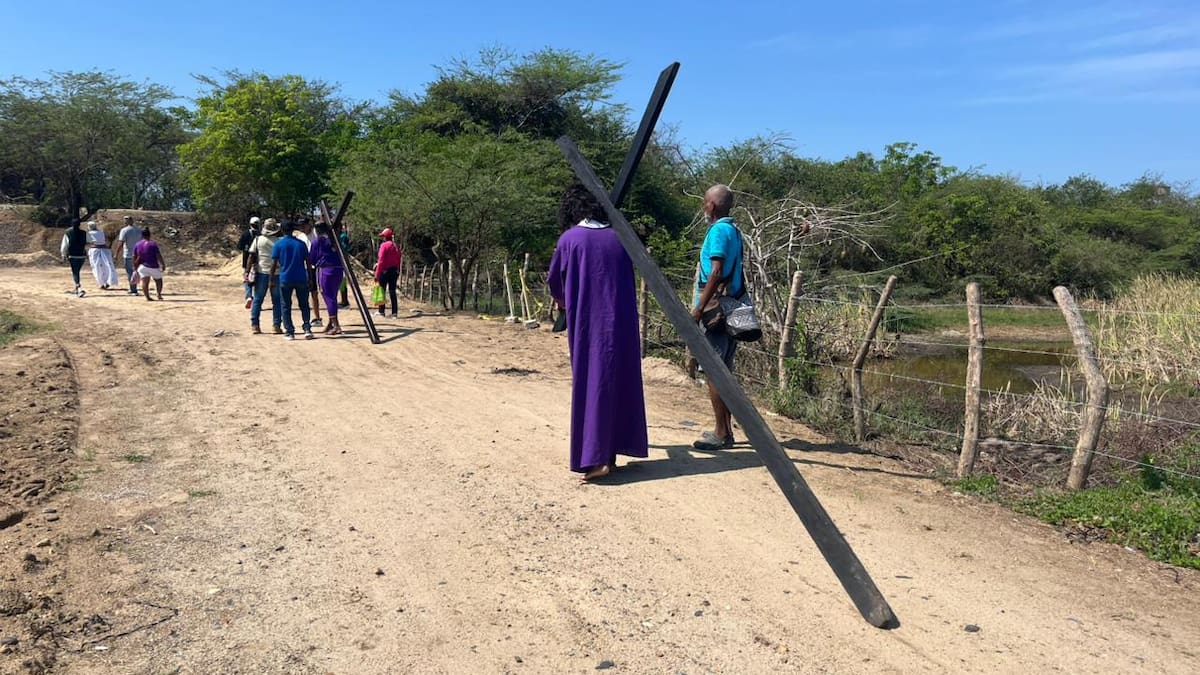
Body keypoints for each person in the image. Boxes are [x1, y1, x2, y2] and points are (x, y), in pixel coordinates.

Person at [548, 184, 648, 481]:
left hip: (589, 323)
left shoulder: (570, 240)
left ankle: (596, 458)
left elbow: (555, 282)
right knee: (619, 380)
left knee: (593, 382)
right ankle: (613, 451)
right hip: (623, 322)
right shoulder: (620, 238)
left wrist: (564, 303)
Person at [689, 184, 745, 451]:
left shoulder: (719, 231)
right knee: (723, 371)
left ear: (711, 206)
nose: (704, 207)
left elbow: (715, 271)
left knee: (713, 370)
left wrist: (699, 308)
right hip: (731, 305)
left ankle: (721, 433)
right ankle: (726, 430)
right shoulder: (734, 230)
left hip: (716, 311)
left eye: (705, 202)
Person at [270, 221, 314, 340]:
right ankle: (307, 328)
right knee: (304, 304)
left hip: (285, 278)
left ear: (282, 230)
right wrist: (310, 278)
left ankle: (289, 331)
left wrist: (271, 279)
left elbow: (274, 264)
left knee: (286, 305)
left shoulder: (278, 244)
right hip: (301, 277)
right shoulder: (301, 244)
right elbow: (308, 262)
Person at [247, 218, 283, 334]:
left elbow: (251, 256)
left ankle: (255, 325)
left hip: (262, 272)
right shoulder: (279, 241)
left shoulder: (258, 239)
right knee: (277, 301)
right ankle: (276, 326)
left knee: (258, 299)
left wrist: (247, 272)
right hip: (277, 273)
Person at [310, 223, 344, 335]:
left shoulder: (318, 241)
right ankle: (330, 323)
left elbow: (312, 258)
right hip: (338, 270)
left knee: (328, 297)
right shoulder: (335, 240)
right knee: (333, 297)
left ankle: (336, 325)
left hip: (325, 270)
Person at [294, 218, 324, 327]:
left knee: (321, 292)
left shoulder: (317, 233)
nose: (302, 228)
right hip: (306, 268)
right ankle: (315, 317)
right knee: (311, 292)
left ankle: (319, 317)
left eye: (304, 226)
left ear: (309, 224)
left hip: (318, 266)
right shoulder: (300, 237)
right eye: (300, 226)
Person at [133, 226, 167, 301]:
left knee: (145, 282)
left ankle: (147, 297)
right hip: (153, 266)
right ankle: (158, 294)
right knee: (158, 280)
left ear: (142, 235)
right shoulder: (153, 244)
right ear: (149, 235)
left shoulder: (137, 244)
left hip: (142, 266)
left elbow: (134, 256)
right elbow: (158, 255)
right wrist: (162, 264)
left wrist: (135, 265)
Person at [374, 228, 402, 318]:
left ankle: (381, 311)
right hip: (394, 271)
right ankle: (394, 313)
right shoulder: (396, 246)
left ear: (385, 237)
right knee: (392, 291)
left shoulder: (384, 245)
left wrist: (377, 273)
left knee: (381, 290)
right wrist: (398, 269)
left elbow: (381, 260)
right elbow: (399, 259)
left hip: (384, 271)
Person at [113, 216, 143, 295]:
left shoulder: (124, 230)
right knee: (136, 271)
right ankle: (135, 287)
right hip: (138, 254)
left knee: (130, 272)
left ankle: (133, 289)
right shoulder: (139, 230)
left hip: (128, 254)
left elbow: (121, 242)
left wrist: (116, 253)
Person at [85, 221, 119, 290]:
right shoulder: (101, 232)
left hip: (95, 250)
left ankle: (101, 283)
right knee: (107, 266)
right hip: (105, 250)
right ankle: (108, 281)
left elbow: (88, 241)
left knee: (97, 267)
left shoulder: (89, 233)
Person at [59, 218, 88, 297]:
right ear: (79, 225)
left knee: (75, 272)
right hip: (82, 256)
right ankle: (77, 288)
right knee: (77, 271)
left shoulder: (68, 233)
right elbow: (88, 243)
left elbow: (64, 245)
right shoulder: (84, 233)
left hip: (72, 255)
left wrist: (63, 255)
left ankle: (79, 288)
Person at [238, 216, 261, 309]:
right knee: (257, 282)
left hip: (246, 260)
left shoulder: (246, 234)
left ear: (250, 224)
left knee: (247, 279)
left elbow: (240, 246)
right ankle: (256, 301)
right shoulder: (261, 235)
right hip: (259, 261)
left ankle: (248, 296)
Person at [336, 223, 351, 307]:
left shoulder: (343, 236)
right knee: (340, 282)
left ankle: (345, 301)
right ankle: (343, 300)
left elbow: (344, 248)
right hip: (338, 261)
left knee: (342, 282)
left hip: (342, 261)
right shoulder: (338, 236)